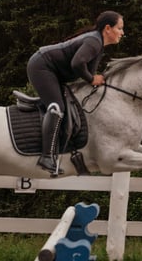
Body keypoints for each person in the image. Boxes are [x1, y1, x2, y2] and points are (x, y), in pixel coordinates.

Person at [26, 10, 124, 175]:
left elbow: (87, 74)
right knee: (57, 107)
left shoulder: (98, 45)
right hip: (42, 66)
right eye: (120, 28)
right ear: (108, 28)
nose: (122, 33)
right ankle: (46, 157)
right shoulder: (94, 42)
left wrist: (95, 80)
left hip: (51, 69)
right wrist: (92, 79)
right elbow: (77, 64)